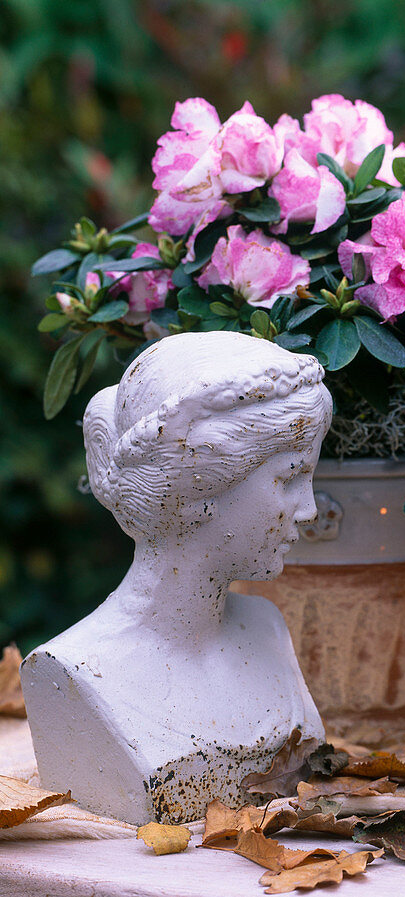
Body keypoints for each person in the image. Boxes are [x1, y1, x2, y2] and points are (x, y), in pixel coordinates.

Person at [21, 332, 330, 824]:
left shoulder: (265, 628)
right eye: (289, 477)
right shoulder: (72, 672)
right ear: (199, 485)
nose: (310, 510)